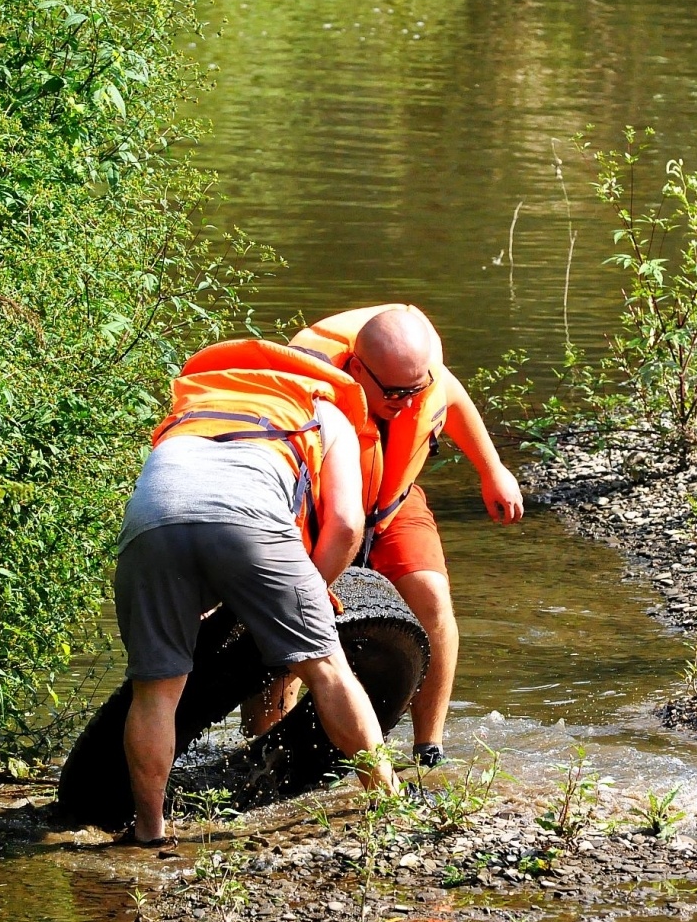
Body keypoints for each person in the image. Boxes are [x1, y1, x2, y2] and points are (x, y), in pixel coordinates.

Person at [113, 340, 395, 846]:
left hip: (150, 522)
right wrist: (315, 586)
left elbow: (187, 507)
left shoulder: (197, 401)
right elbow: (347, 524)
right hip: (250, 519)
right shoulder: (324, 409)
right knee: (326, 669)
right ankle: (387, 799)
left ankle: (149, 831)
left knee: (156, 691)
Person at [289, 304, 525, 767]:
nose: (406, 402)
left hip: (391, 501)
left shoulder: (420, 380)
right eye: (395, 392)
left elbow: (450, 396)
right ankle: (262, 747)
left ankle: (428, 748)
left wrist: (492, 470)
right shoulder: (307, 386)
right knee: (289, 609)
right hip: (319, 508)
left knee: (432, 595)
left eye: (415, 390)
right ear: (357, 368)